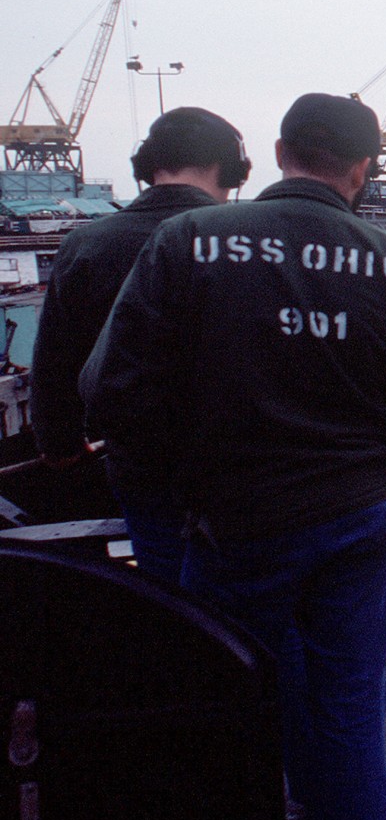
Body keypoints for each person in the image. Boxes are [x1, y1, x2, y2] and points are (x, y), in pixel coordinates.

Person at [82, 92, 386, 820]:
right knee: (346, 718)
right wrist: (376, 455)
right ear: (363, 167)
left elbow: (107, 390)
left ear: (276, 152)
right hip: (353, 519)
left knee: (225, 705)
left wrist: (183, 477)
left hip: (233, 523)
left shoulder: (183, 244)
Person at [31, 106, 251, 585]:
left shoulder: (86, 244)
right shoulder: (251, 240)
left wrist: (62, 446)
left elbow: (54, 367)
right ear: (228, 170)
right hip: (246, 469)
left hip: (141, 466)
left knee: (175, 605)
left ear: (149, 166)